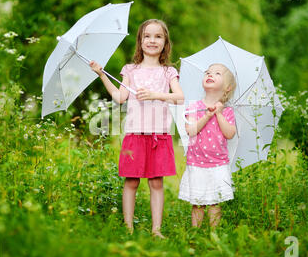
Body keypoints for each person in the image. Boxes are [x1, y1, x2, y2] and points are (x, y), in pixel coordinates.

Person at [90, 19, 184, 238]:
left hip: (159, 135)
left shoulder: (168, 71)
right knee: (131, 181)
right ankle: (128, 228)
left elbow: (179, 97)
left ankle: (156, 229)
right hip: (135, 134)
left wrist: (155, 95)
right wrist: (102, 75)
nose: (152, 40)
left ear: (165, 42)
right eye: (147, 36)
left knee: (156, 182)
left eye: (158, 36)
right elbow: (120, 97)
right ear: (140, 41)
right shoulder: (130, 70)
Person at [178, 63, 237, 229]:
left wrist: (218, 113)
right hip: (196, 162)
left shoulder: (227, 111)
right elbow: (191, 130)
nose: (210, 74)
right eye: (208, 72)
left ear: (227, 88)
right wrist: (207, 115)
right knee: (198, 202)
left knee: (215, 201)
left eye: (217, 73)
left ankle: (214, 233)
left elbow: (230, 133)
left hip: (218, 163)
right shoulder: (194, 107)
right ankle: (195, 233)